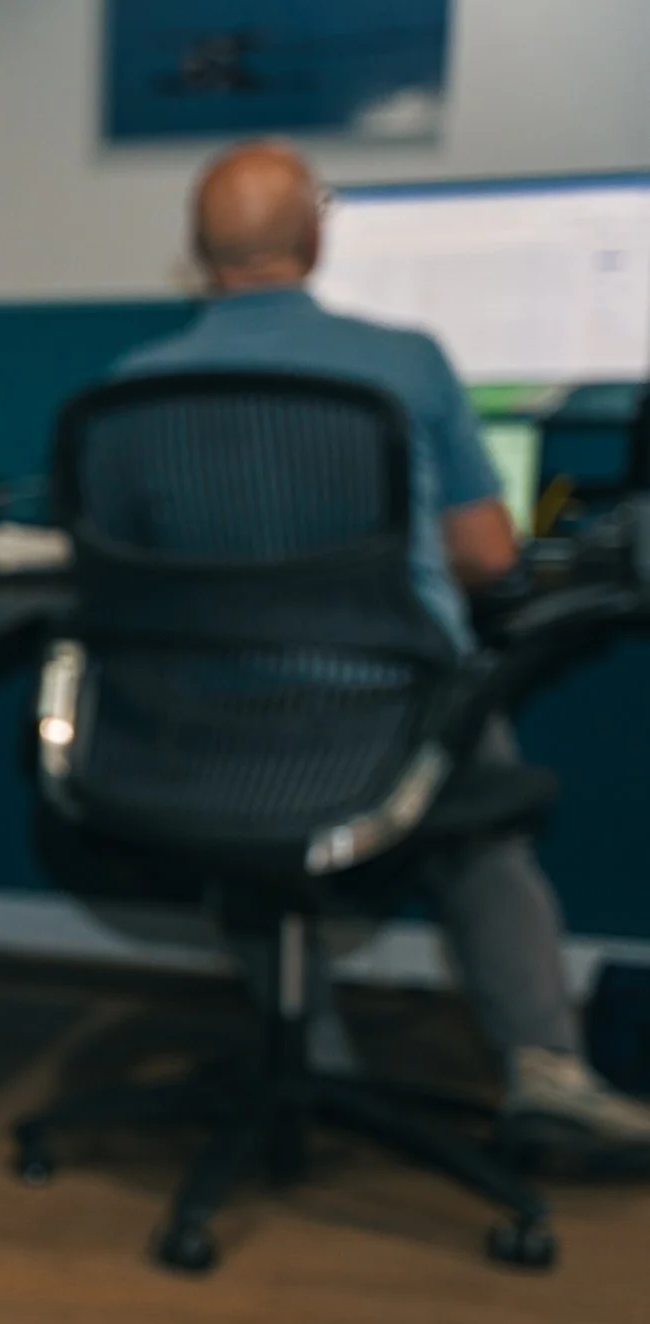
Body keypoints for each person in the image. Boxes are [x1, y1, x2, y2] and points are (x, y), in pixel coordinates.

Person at [114, 139, 650, 1152]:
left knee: (240, 821)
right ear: (316, 239)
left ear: (194, 251)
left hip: (200, 722)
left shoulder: (133, 389)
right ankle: (546, 1067)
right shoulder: (403, 362)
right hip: (382, 715)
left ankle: (307, 1043)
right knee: (480, 820)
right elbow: (489, 554)